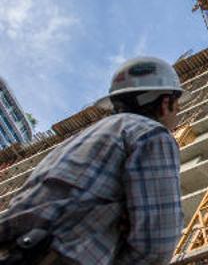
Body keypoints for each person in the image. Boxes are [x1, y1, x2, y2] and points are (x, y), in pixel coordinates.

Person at [0, 57, 185, 264]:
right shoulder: (150, 133)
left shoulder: (76, 141)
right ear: (165, 103)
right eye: (177, 107)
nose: (177, 114)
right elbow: (157, 243)